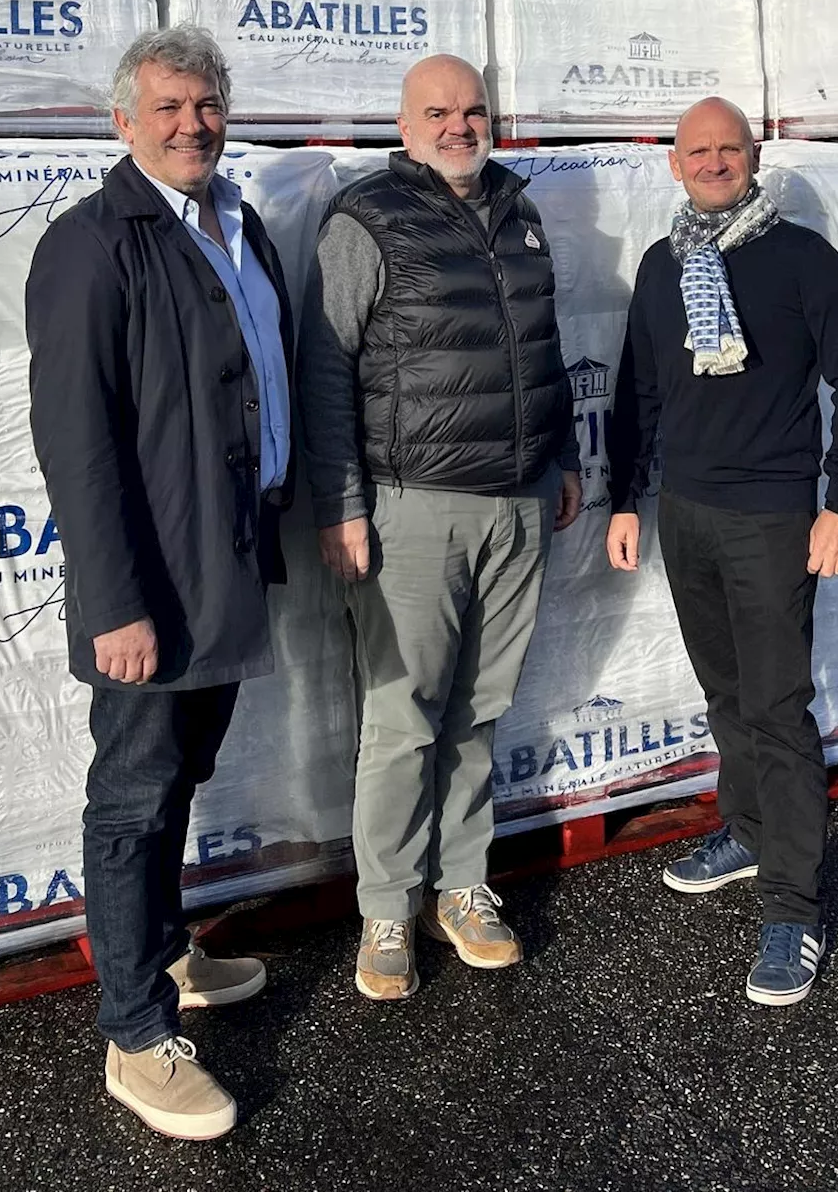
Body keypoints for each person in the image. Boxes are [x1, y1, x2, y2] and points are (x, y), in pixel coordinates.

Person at [25, 25, 295, 1139]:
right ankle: (135, 1033)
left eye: (207, 103)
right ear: (123, 122)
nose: (192, 123)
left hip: (230, 558)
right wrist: (113, 602)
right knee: (133, 795)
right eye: (169, 106)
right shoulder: (93, 244)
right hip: (155, 583)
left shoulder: (240, 223)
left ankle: (164, 951)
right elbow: (75, 442)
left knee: (182, 770)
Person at [297, 53, 582, 1001]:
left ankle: (462, 888)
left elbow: (539, 347)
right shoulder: (367, 218)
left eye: (472, 111)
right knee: (401, 719)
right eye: (439, 112)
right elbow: (326, 370)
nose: (460, 126)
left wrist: (565, 460)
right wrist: (340, 504)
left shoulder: (521, 210)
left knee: (480, 711)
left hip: (517, 503)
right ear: (404, 122)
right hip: (411, 505)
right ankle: (386, 904)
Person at [606, 97, 838, 1007]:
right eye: (699, 150)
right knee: (726, 692)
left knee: (777, 705)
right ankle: (750, 828)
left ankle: (793, 910)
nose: (715, 162)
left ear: (752, 157)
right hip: (686, 511)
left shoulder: (801, 258)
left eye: (730, 148)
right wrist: (623, 497)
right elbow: (638, 389)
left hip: (772, 517)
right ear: (674, 163)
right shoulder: (663, 264)